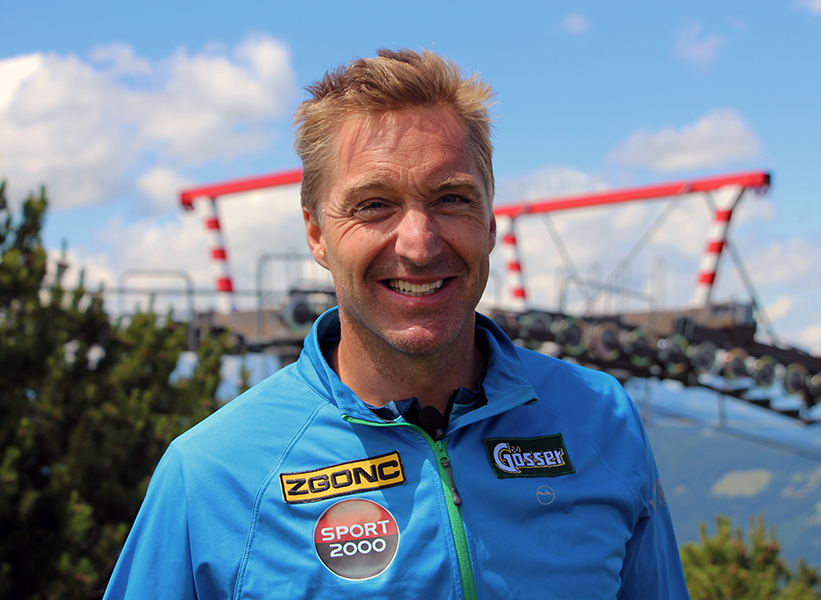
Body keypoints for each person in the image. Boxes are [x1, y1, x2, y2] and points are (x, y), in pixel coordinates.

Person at [103, 48, 690, 599]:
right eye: (374, 205)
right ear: (317, 234)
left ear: (490, 223)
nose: (418, 244)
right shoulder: (213, 474)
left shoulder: (602, 420)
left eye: (451, 199)